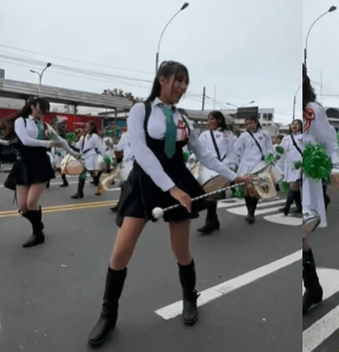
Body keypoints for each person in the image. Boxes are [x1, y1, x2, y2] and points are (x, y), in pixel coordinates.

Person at [87, 61, 252, 347]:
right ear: (161, 79)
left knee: (181, 249)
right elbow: (140, 150)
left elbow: (204, 156)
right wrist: (171, 187)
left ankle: (190, 296)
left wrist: (233, 175)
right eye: (178, 80)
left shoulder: (183, 119)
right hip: (147, 181)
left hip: (177, 179)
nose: (183, 87)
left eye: (186, 82)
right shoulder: (142, 110)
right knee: (120, 252)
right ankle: (108, 314)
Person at [4, 97, 79, 247]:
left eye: (46, 110)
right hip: (23, 164)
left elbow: (60, 140)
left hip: (40, 163)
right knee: (23, 208)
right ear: (32, 106)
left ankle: (38, 234)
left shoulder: (45, 125)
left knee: (32, 202)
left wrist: (73, 152)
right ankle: (38, 224)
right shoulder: (21, 121)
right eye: (41, 108)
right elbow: (25, 140)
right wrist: (48, 143)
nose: (43, 112)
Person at [302, 64, 339, 314]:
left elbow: (330, 141)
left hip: (309, 178)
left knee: (301, 237)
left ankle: (313, 287)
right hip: (293, 175)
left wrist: (336, 167)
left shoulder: (313, 111)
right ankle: (314, 287)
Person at [196, 111, 237, 234]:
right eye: (209, 119)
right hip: (206, 167)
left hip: (221, 167)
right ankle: (213, 221)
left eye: (212, 119)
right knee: (209, 194)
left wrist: (232, 166)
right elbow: (198, 150)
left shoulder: (227, 134)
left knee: (211, 194)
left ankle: (210, 222)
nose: (210, 122)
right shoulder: (204, 135)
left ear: (219, 120)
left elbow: (231, 152)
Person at [233, 115, 272, 224]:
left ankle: (252, 212)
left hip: (259, 165)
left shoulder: (265, 134)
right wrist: (238, 161)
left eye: (250, 123)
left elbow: (270, 148)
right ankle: (249, 212)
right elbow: (236, 148)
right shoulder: (244, 135)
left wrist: (269, 158)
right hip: (246, 166)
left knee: (254, 191)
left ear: (256, 122)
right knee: (247, 189)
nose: (248, 125)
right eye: (247, 124)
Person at [71, 121, 108, 198]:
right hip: (84, 156)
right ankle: (100, 187)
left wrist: (106, 158)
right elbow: (78, 146)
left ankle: (79, 192)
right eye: (86, 125)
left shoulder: (94, 136)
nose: (86, 126)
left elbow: (101, 148)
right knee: (92, 174)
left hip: (91, 156)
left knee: (82, 173)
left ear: (92, 127)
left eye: (88, 125)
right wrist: (70, 143)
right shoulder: (84, 136)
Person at [279, 119, 303, 215]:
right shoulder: (286, 138)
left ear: (301, 127)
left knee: (294, 185)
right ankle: (299, 206)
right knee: (294, 187)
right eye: (293, 124)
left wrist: (302, 162)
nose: (294, 125)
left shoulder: (304, 137)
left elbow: (307, 151)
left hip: (299, 165)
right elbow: (281, 151)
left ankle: (287, 207)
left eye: (297, 124)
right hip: (288, 165)